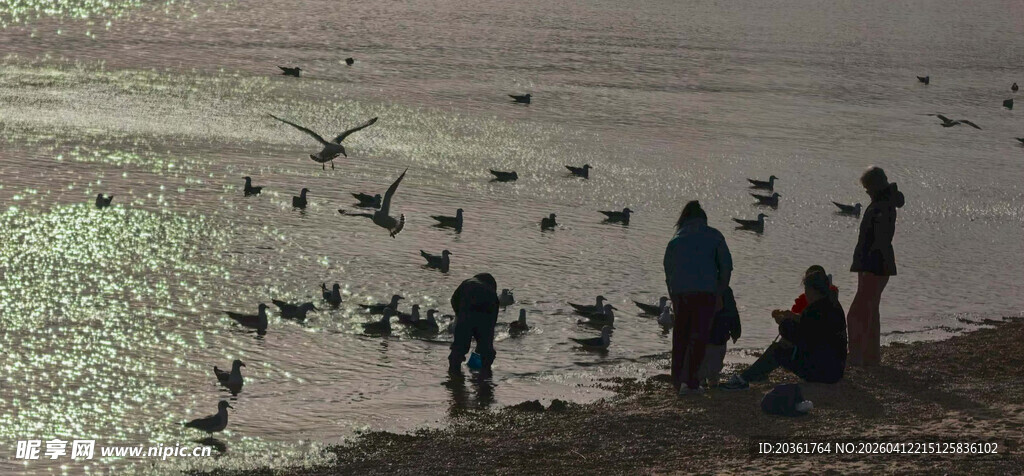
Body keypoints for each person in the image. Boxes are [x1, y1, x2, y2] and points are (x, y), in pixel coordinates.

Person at [721, 271, 847, 390]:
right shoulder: (832, 304)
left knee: (778, 350)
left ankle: (743, 379)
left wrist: (782, 322)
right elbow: (812, 327)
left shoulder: (815, 310)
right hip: (835, 369)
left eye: (806, 290)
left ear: (812, 290)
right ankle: (757, 374)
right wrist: (792, 316)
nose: (805, 294)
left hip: (822, 372)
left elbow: (796, 335)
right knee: (782, 347)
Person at [663, 200, 733, 395]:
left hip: (680, 293)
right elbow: (726, 266)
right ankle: (692, 383)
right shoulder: (715, 236)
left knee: (680, 336)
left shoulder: (675, 239)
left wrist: (673, 295)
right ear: (703, 219)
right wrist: (720, 292)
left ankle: (677, 382)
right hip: (706, 292)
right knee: (699, 336)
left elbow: (668, 269)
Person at [847, 166, 904, 366]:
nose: (866, 192)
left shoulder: (882, 206)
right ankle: (871, 357)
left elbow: (878, 239)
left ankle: (855, 356)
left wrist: (866, 265)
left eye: (867, 187)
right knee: (871, 309)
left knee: (858, 311)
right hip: (877, 263)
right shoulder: (884, 202)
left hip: (874, 264)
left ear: (875, 185)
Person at [682, 286, 741, 388]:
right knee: (714, 364)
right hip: (718, 334)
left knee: (703, 363)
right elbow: (733, 312)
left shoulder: (698, 288)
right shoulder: (724, 290)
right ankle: (711, 382)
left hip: (706, 334)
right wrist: (736, 331)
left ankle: (703, 382)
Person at [448, 273, 500, 377]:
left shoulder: (467, 283)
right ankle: (484, 377)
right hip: (486, 312)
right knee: (486, 350)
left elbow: (454, 300)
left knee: (459, 347)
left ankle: (454, 376)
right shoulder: (492, 293)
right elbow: (492, 322)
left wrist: (459, 316)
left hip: (466, 313)